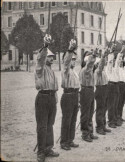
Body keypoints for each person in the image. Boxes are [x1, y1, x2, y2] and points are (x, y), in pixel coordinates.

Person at [34, 34, 59, 162]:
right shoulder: (40, 68)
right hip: (42, 98)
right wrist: (45, 47)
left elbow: (55, 87)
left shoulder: (52, 71)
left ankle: (48, 148)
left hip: (51, 99)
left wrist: (55, 97)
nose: (52, 59)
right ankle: (41, 152)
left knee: (50, 124)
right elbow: (40, 59)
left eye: (53, 57)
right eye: (50, 57)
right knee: (42, 126)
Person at [60, 39, 80, 150]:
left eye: (75, 60)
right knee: (66, 120)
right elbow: (66, 61)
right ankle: (64, 142)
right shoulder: (65, 70)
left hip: (75, 96)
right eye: (72, 59)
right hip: (67, 96)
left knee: (73, 119)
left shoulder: (74, 72)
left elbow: (77, 87)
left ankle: (70, 140)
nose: (73, 61)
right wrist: (70, 50)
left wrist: (78, 98)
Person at [79, 49, 98, 142]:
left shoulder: (90, 71)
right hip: (85, 91)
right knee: (85, 114)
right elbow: (90, 64)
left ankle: (90, 132)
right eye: (90, 62)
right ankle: (85, 133)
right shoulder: (85, 70)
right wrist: (93, 56)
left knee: (90, 113)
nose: (92, 65)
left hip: (91, 90)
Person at [94, 49, 110, 135]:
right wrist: (103, 57)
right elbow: (100, 66)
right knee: (100, 110)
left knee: (104, 108)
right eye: (100, 64)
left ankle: (103, 125)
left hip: (105, 89)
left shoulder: (103, 71)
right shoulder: (97, 71)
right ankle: (99, 127)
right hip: (99, 90)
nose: (103, 65)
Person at [105, 45, 121, 128]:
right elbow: (110, 62)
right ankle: (111, 121)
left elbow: (118, 63)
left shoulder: (115, 68)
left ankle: (115, 119)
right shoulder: (108, 68)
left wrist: (119, 54)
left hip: (116, 85)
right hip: (111, 85)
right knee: (111, 105)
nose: (114, 61)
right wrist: (111, 53)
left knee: (116, 104)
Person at [115, 45, 125, 123]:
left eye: (122, 60)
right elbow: (117, 62)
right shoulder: (116, 68)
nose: (121, 61)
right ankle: (117, 117)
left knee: (122, 102)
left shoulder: (122, 69)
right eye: (120, 60)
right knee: (118, 102)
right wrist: (121, 52)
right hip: (119, 85)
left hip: (124, 85)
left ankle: (120, 116)